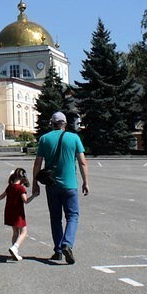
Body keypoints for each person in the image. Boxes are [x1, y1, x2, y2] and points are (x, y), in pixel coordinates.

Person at [31, 112, 89, 264]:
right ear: (65, 123)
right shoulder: (74, 138)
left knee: (55, 218)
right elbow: (83, 163)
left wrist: (35, 183)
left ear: (52, 123)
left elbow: (37, 163)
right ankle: (67, 243)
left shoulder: (44, 139)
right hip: (70, 185)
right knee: (73, 216)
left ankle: (58, 251)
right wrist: (86, 182)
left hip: (51, 185)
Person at [0, 167, 34, 260]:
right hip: (18, 213)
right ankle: (15, 248)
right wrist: (34, 195)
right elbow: (25, 201)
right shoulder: (21, 188)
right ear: (23, 178)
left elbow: (3, 195)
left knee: (15, 232)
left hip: (9, 212)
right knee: (24, 231)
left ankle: (14, 253)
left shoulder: (10, 186)